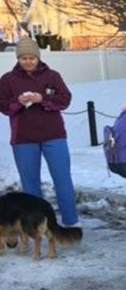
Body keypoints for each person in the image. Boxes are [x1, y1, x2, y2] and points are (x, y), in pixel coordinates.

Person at [0, 37, 80, 228]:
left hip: (54, 136)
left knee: (62, 179)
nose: (28, 61)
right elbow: (3, 105)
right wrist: (18, 102)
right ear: (18, 59)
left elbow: (64, 99)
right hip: (23, 139)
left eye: (31, 58)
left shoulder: (52, 76)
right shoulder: (8, 80)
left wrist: (42, 98)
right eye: (23, 58)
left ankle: (70, 222)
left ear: (38, 57)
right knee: (30, 183)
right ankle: (35, 223)